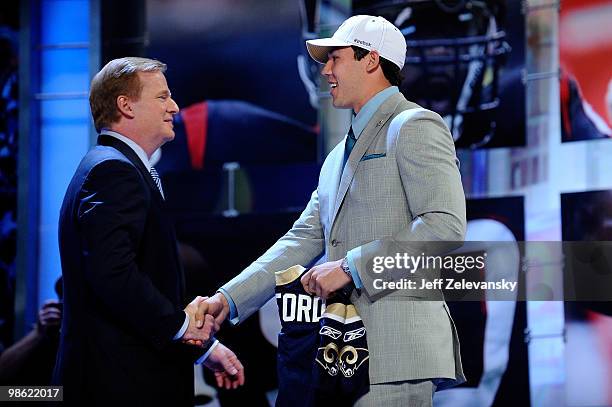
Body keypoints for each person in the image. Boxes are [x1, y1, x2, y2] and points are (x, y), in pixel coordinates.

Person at [203, 15, 466, 406]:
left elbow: (444, 228)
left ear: (371, 60)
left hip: (396, 358)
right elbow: (300, 240)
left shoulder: (415, 125)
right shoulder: (336, 157)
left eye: (335, 58)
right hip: (342, 359)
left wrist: (348, 267)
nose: (325, 70)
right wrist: (226, 300)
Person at [54, 57, 244, 406]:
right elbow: (112, 275)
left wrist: (201, 347)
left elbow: (140, 281)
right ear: (125, 105)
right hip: (119, 386)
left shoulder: (108, 165)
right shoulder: (113, 172)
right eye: (162, 97)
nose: (174, 106)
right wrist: (183, 326)